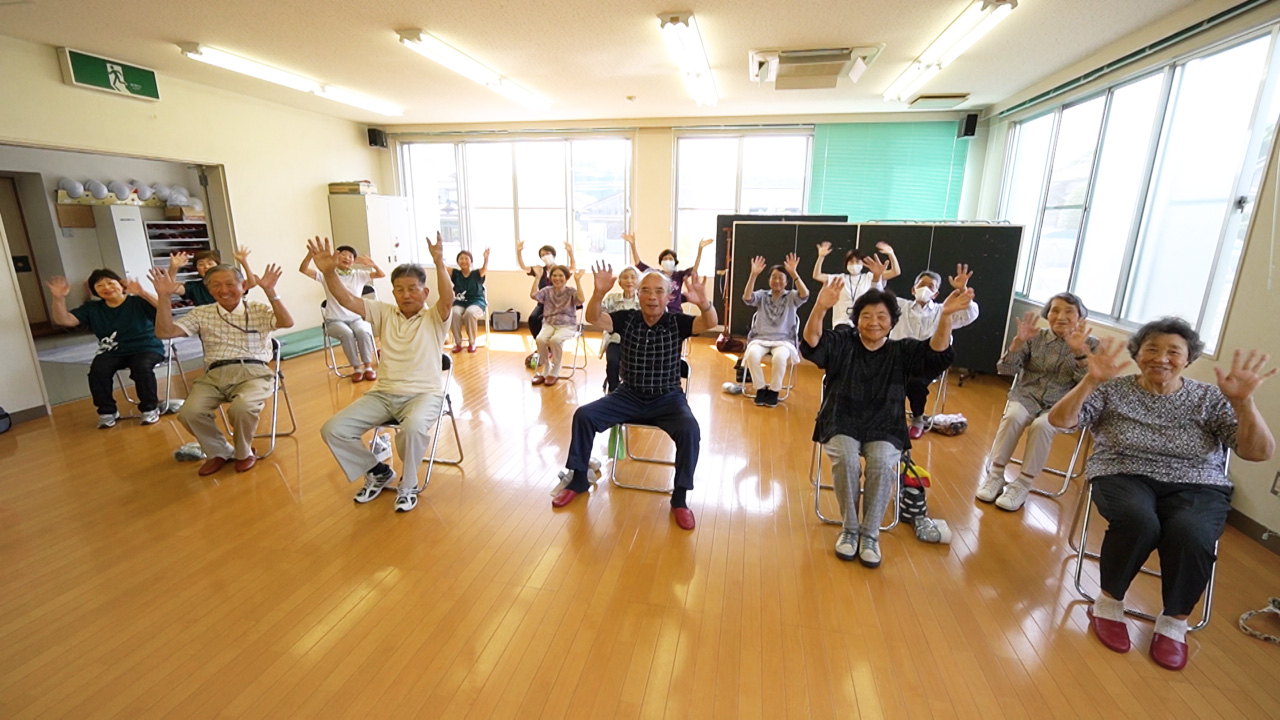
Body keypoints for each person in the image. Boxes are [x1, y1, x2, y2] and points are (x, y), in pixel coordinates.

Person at [1046, 318, 1275, 671]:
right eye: (1151, 349)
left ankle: (1174, 622)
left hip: (1197, 482)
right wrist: (1090, 381)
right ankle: (1108, 603)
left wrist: (1244, 404)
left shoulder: (1209, 398)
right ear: (1137, 354)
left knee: (1193, 532)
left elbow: (1258, 452)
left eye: (1173, 351)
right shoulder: (1112, 389)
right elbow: (1060, 422)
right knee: (1139, 521)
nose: (1162, 358)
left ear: (1188, 358)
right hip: (1123, 472)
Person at [802, 280, 972, 567]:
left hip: (885, 424)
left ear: (893, 321)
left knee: (881, 463)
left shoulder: (901, 351)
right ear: (856, 320)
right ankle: (849, 529)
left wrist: (945, 317)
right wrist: (819, 307)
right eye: (866, 316)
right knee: (846, 459)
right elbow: (812, 344)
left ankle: (869, 535)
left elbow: (937, 354)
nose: (874, 322)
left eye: (882, 316)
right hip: (841, 418)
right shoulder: (843, 342)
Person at [552, 265, 718, 530]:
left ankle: (680, 498)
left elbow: (709, 323)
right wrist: (598, 292)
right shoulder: (626, 318)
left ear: (669, 297)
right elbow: (595, 318)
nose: (652, 297)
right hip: (628, 395)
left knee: (690, 430)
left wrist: (705, 303)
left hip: (668, 400)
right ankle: (579, 478)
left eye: (658, 292)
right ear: (638, 295)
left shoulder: (677, 321)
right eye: (646, 291)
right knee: (584, 415)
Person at [310, 234, 453, 514]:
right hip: (383, 394)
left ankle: (408, 484)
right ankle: (377, 471)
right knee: (333, 429)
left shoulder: (434, 318)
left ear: (425, 293)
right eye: (399, 289)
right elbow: (347, 299)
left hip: (424, 394)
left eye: (413, 288)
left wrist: (439, 262)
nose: (406, 294)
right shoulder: (384, 312)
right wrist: (328, 271)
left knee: (411, 429)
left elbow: (447, 298)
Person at [148, 261, 293, 475]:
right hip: (214, 374)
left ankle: (244, 452)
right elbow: (165, 332)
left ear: (243, 286)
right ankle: (220, 451)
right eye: (216, 285)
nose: (223, 290)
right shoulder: (202, 313)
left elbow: (286, 322)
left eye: (230, 284)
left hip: (254, 372)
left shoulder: (258, 309)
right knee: (189, 412)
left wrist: (271, 292)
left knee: (242, 408)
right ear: (208, 289)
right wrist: (164, 297)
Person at [977, 292, 1098, 511]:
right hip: (1027, 395)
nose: (1061, 316)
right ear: (1047, 315)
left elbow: (1091, 386)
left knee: (1042, 425)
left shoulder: (1091, 344)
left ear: (1081, 317)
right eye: (1055, 310)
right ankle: (995, 475)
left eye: (1069, 311)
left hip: (1063, 406)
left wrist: (1080, 355)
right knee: (1014, 415)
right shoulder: (1034, 336)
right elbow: (1006, 369)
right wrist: (1018, 342)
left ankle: (1023, 483)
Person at [46, 270, 165, 428]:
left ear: (121, 285)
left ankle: (150, 408)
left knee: (141, 367)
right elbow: (65, 320)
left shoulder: (137, 302)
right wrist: (58, 298)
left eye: (110, 283)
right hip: (113, 351)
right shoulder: (93, 308)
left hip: (146, 347)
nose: (106, 287)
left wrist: (142, 293)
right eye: (100, 285)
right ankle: (107, 411)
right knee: (98, 371)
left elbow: (165, 309)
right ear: (95, 291)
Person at [889, 266, 980, 438]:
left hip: (928, 362)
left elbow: (971, 314)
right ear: (913, 289)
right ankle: (889, 416)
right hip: (900, 358)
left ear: (936, 293)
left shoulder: (944, 309)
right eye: (922, 284)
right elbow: (876, 297)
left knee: (915, 383)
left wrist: (962, 289)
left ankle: (917, 419)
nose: (926, 288)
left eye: (931, 287)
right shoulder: (900, 305)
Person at [300, 244, 384, 381]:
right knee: (347, 334)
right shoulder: (327, 274)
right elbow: (303, 269)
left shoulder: (359, 275)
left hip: (357, 318)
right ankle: (356, 368)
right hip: (335, 320)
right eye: (343, 254)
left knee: (363, 331)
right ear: (336, 257)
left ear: (353, 261)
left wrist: (373, 264)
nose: (347, 257)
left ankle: (368, 367)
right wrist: (310, 255)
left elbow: (381, 274)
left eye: (350, 256)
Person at [741, 253, 809, 407]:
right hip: (761, 338)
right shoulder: (763, 295)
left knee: (779, 358)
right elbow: (747, 298)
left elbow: (805, 294)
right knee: (752, 355)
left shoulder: (791, 296)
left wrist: (794, 273)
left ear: (786, 282)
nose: (777, 280)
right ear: (769, 280)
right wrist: (753, 274)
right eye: (773, 277)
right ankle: (760, 388)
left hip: (783, 340)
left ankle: (774, 391)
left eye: (781, 277)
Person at [515, 240, 575, 368]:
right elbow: (523, 266)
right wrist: (519, 252)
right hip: (543, 303)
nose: (545, 256)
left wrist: (570, 252)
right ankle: (543, 347)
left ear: (553, 255)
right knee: (533, 319)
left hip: (558, 305)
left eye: (547, 253)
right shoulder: (539, 270)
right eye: (542, 254)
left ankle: (550, 347)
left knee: (544, 321)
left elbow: (572, 268)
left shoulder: (559, 269)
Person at [811, 241, 900, 327]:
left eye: (857, 261)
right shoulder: (840, 278)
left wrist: (891, 254)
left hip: (863, 321)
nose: (854, 265)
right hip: (842, 321)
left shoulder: (870, 277)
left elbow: (895, 272)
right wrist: (821, 257)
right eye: (851, 262)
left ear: (863, 263)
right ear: (846, 264)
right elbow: (817, 275)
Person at [623, 232, 714, 312]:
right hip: (659, 311)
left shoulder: (679, 275)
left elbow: (694, 269)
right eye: (665, 259)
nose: (667, 261)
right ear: (661, 262)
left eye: (670, 259)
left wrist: (700, 249)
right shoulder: (656, 275)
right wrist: (633, 245)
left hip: (676, 311)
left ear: (675, 262)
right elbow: (639, 264)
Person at [529, 265, 585, 386]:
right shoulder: (547, 290)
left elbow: (581, 299)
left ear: (566, 278)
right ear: (550, 277)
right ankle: (546, 368)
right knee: (540, 339)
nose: (557, 278)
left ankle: (555, 370)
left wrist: (578, 280)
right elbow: (533, 295)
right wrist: (537, 277)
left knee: (555, 340)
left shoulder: (571, 291)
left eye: (561, 275)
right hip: (549, 323)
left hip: (567, 325)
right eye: (554, 275)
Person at [600, 265, 641, 393]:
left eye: (633, 278)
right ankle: (614, 391)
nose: (629, 281)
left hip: (639, 340)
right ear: (619, 282)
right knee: (612, 361)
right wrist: (599, 291)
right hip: (616, 339)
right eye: (625, 278)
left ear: (638, 282)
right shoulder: (612, 298)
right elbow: (598, 314)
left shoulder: (644, 299)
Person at [168, 248, 258, 305]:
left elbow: (251, 283)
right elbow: (171, 288)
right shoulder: (194, 287)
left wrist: (244, 262)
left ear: (218, 265)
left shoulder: (230, 282)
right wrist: (173, 268)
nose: (206, 267)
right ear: (196, 268)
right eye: (201, 264)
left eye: (210, 263)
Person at [450, 248, 489, 353]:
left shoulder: (476, 273)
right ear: (457, 262)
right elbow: (442, 267)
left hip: (476, 302)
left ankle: (472, 343)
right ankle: (458, 343)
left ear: (471, 261)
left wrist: (486, 258)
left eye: (466, 258)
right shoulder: (456, 274)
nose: (463, 261)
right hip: (460, 302)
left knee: (470, 313)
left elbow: (484, 268)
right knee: (454, 313)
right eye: (461, 258)